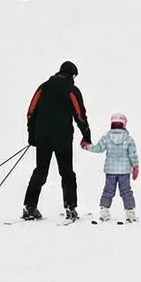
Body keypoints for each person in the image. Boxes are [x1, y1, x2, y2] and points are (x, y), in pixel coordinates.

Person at [21, 61, 92, 221]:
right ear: (72, 75)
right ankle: (70, 208)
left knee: (40, 171)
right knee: (67, 173)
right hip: (63, 138)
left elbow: (31, 112)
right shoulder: (71, 90)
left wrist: (32, 135)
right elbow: (80, 115)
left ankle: (29, 206)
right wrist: (86, 134)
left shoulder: (43, 87)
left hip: (43, 137)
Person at [87, 113, 139, 222]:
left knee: (108, 190)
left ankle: (104, 211)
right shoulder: (129, 139)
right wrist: (135, 167)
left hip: (110, 170)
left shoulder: (106, 138)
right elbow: (133, 154)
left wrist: (87, 146)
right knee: (126, 191)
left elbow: (98, 149)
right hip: (124, 171)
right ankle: (130, 212)